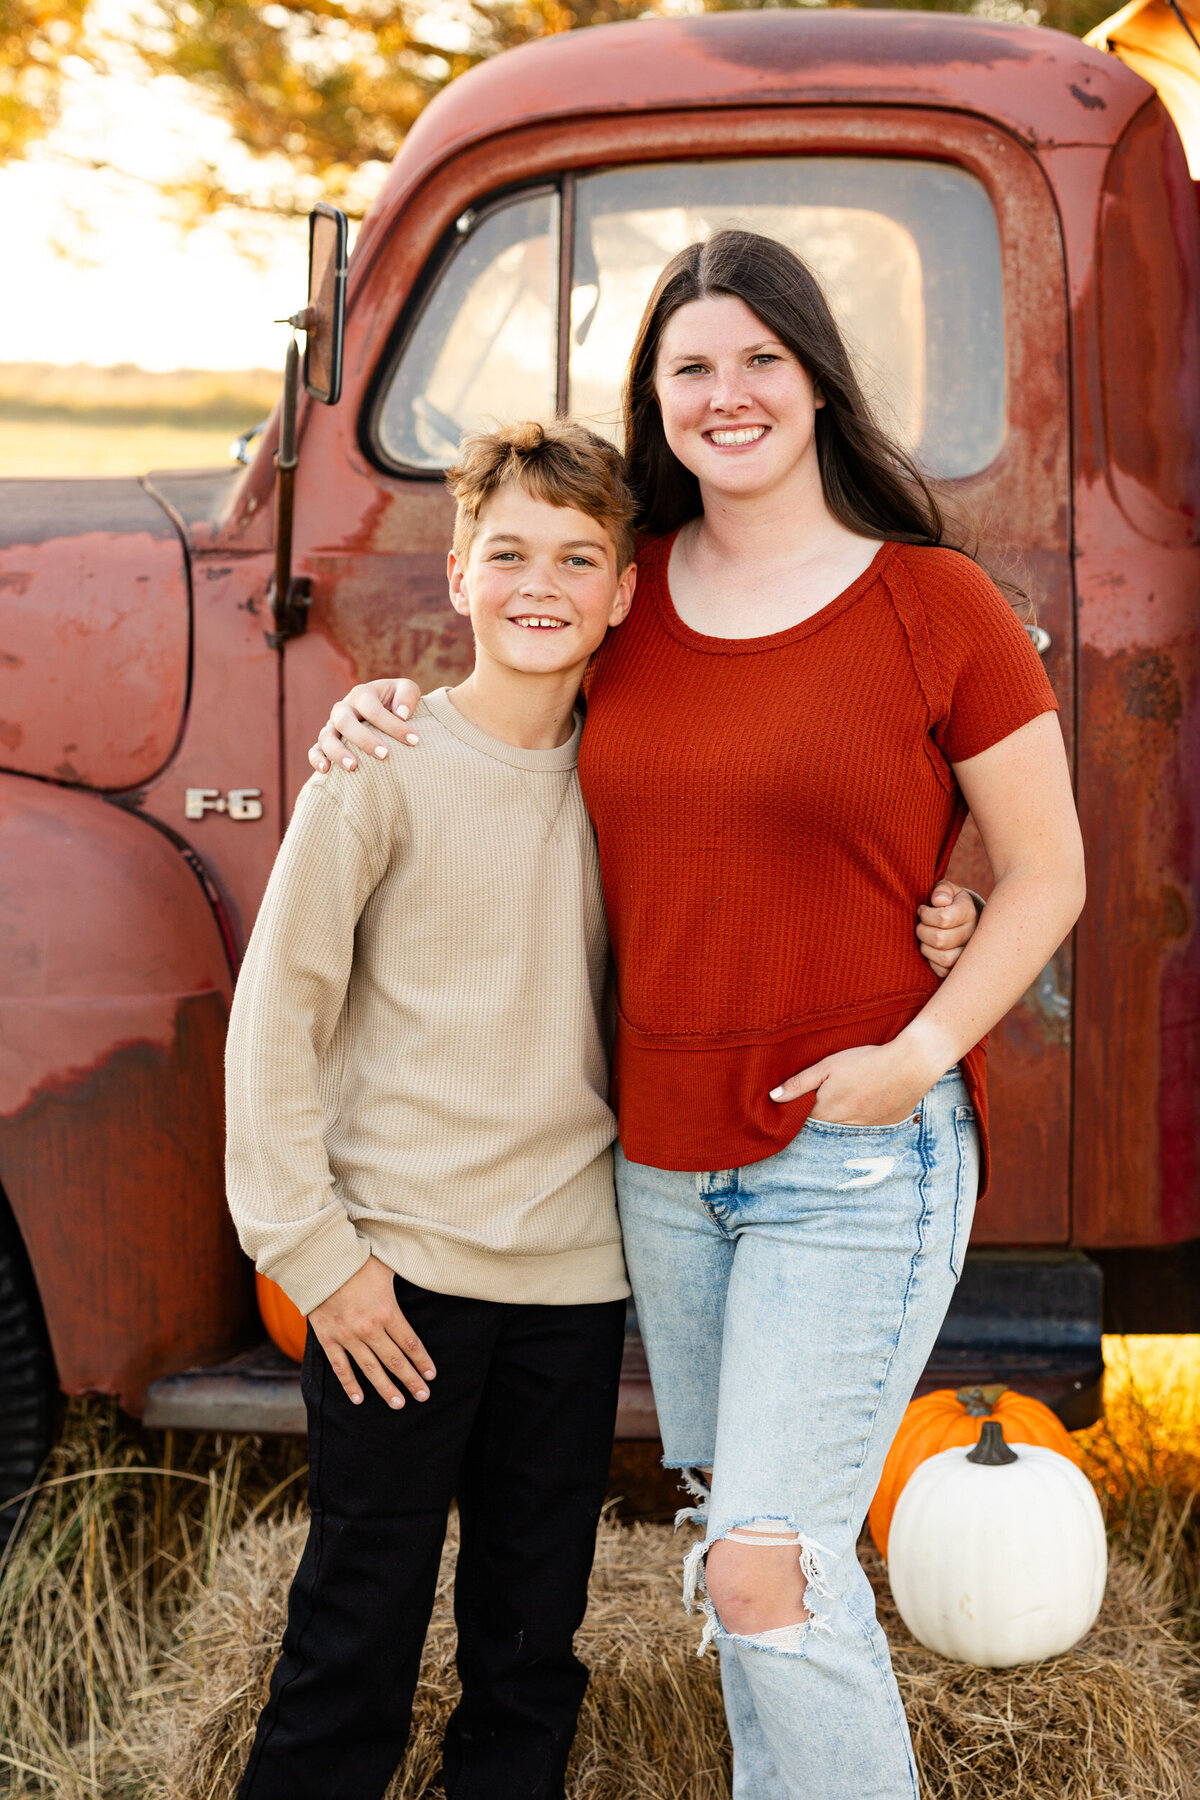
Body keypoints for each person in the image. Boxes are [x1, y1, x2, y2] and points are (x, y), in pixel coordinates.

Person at [310, 229, 1084, 1800]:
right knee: (756, 1571)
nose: (726, 397)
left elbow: (1053, 872)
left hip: (859, 1146)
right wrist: (375, 707)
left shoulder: (936, 605)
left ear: (814, 382)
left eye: (758, 363)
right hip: (661, 1168)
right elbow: (499, 706)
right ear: (651, 398)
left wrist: (918, 1055)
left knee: (762, 1569)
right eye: (689, 369)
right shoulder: (624, 594)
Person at [224, 421, 640, 1800]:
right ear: (458, 573)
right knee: (355, 1640)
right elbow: (275, 1019)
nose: (542, 583)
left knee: (530, 1657)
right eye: (509, 551)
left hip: (572, 1284)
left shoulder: (640, 783)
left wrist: (946, 915)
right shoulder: (381, 765)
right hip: (393, 1284)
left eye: (580, 557)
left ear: (624, 591)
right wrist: (318, 1260)